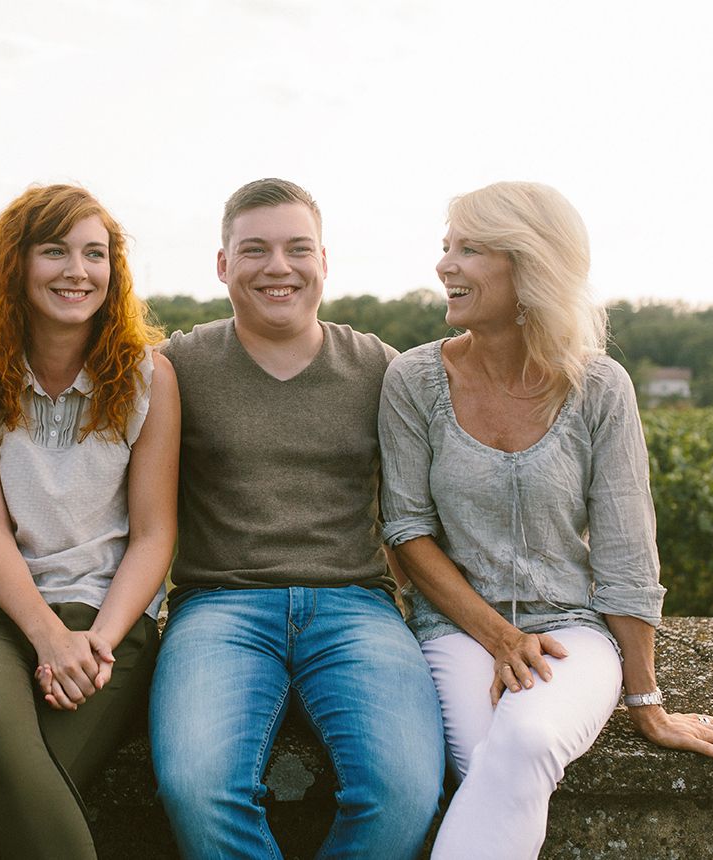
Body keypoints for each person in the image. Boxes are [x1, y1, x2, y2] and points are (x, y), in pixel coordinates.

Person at [379, 181, 713, 860]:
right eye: (446, 247)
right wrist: (498, 637)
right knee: (491, 761)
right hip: (457, 629)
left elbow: (626, 552)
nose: (445, 265)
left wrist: (646, 701)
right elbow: (406, 531)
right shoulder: (412, 380)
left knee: (523, 743)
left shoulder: (600, 386)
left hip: (573, 631)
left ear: (529, 266)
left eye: (469, 250)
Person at [150, 178, 445, 859]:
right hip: (218, 608)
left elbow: (424, 510)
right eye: (254, 250)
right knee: (196, 786)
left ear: (323, 260)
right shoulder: (179, 365)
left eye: (296, 248)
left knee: (402, 793)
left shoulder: (380, 369)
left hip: (357, 606)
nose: (278, 267)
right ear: (224, 264)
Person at [0, 185, 179, 859]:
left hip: (110, 623)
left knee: (27, 793)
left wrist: (93, 640)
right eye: (55, 251)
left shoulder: (149, 378)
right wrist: (46, 638)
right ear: (17, 264)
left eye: (94, 254)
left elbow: (155, 534)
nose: (78, 270)